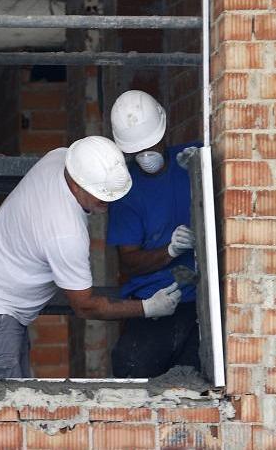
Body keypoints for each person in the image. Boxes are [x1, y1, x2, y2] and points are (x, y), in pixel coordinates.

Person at [0, 136, 183, 378]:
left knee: (16, 392)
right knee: (4, 404)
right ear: (76, 185)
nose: (108, 202)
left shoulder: (60, 157)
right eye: (101, 195)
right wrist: (148, 307)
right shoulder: (65, 233)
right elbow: (85, 305)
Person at [107, 90, 202, 378]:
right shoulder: (127, 191)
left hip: (200, 299)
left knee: (198, 387)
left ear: (164, 131)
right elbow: (129, 261)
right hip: (158, 301)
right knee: (131, 371)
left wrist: (203, 169)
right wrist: (170, 251)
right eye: (138, 150)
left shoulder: (192, 161)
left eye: (152, 145)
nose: (147, 155)